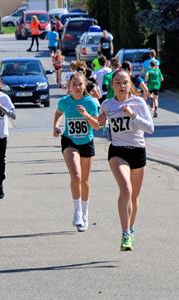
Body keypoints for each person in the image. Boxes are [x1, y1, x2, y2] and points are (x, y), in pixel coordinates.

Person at [98, 70, 154, 251]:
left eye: (125, 82)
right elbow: (100, 124)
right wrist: (100, 120)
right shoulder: (107, 104)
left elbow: (150, 128)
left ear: (130, 84)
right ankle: (124, 234)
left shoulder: (138, 103)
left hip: (138, 151)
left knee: (135, 197)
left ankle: (130, 229)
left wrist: (132, 115)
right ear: (112, 86)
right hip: (117, 151)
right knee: (126, 189)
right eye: (117, 82)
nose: (122, 86)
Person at [53, 72, 100, 232]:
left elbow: (97, 126)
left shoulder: (91, 102)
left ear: (85, 85)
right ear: (69, 86)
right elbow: (58, 113)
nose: (77, 87)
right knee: (76, 176)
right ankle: (77, 211)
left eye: (80, 84)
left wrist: (86, 115)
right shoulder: (64, 102)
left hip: (87, 142)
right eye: (74, 84)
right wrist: (56, 125)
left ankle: (85, 213)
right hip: (69, 141)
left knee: (85, 181)